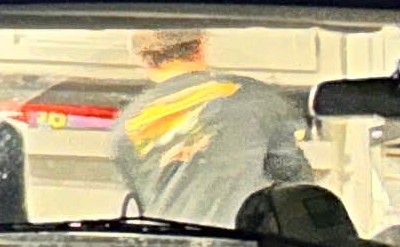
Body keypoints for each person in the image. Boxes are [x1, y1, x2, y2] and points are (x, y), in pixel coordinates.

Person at [112, 28, 317, 226]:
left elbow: (140, 199)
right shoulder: (257, 99)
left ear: (141, 58)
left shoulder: (128, 125)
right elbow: (297, 186)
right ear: (201, 45)